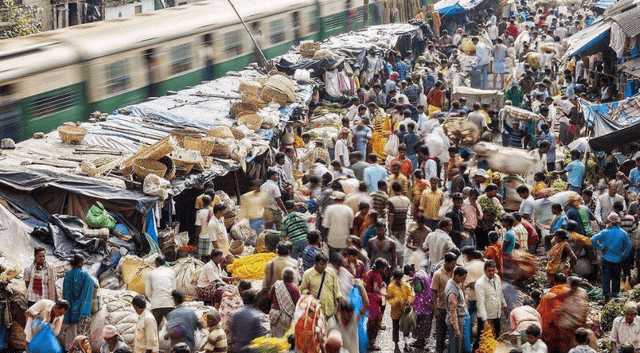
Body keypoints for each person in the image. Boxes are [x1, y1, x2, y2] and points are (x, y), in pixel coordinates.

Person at [592, 212, 632, 298]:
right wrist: (623, 255)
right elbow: (629, 247)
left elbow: (593, 239)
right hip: (618, 259)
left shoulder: (605, 232)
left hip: (606, 257)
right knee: (616, 278)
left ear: (610, 221)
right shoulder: (623, 233)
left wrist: (600, 247)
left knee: (606, 278)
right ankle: (615, 295)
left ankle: (606, 295)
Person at [63, 254, 97, 349]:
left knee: (70, 331)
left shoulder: (68, 274)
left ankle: (68, 348)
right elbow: (94, 284)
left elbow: (66, 291)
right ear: (80, 264)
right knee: (81, 333)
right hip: (81, 309)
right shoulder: (85, 275)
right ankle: (80, 349)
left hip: (69, 309)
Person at [475, 261, 508, 349]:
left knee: (495, 338)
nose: (491, 273)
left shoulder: (496, 278)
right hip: (486, 317)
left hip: (496, 315)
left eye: (493, 270)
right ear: (484, 270)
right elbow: (480, 304)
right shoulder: (480, 283)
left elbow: (499, 293)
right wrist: (485, 320)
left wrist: (504, 305)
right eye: (489, 271)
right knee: (482, 340)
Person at [300, 252, 342, 318]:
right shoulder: (308, 274)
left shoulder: (331, 272)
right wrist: (309, 293)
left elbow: (337, 291)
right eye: (321, 264)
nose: (324, 266)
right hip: (316, 311)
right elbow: (302, 289)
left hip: (330, 310)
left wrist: (339, 309)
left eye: (326, 264)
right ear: (316, 263)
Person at [432, 252, 458, 353]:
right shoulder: (438, 274)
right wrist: (435, 309)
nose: (454, 266)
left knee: (453, 332)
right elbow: (433, 293)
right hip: (442, 307)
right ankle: (439, 350)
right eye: (452, 264)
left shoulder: (455, 272)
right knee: (440, 333)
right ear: (446, 262)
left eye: (455, 263)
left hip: (453, 308)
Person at [364, 258, 389, 351]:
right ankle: (371, 344)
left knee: (369, 321)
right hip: (373, 300)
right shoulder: (376, 275)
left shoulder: (370, 272)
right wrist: (385, 294)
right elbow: (375, 288)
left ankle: (368, 341)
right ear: (381, 268)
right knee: (373, 322)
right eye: (384, 268)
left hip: (367, 298)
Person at [145, 256, 176, 330]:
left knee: (155, 328)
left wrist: (153, 297)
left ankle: (156, 341)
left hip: (156, 304)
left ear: (156, 263)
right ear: (164, 262)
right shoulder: (171, 272)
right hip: (169, 303)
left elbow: (148, 292)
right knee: (172, 326)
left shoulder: (150, 274)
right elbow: (174, 289)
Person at [268, 267, 300, 338]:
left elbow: (270, 296)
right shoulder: (294, 288)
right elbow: (297, 304)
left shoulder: (276, 285)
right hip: (286, 317)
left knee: (275, 338)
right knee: (285, 339)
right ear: (292, 277)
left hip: (274, 314)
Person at [387, 269, 415, 351]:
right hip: (395, 311)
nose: (399, 280)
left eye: (400, 278)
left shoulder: (406, 285)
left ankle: (406, 343)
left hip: (405, 310)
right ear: (395, 278)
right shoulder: (390, 287)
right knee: (395, 328)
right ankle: (396, 344)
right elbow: (389, 299)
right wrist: (396, 301)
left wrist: (409, 300)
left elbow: (411, 295)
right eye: (398, 278)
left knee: (406, 327)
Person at [445, 266, 469, 353]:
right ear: (457, 277)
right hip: (456, 320)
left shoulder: (453, 282)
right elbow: (452, 311)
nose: (465, 279)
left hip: (459, 319)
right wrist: (456, 328)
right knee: (455, 345)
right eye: (463, 277)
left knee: (456, 344)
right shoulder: (452, 290)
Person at [195, 195, 213, 262]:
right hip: (212, 237)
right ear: (211, 202)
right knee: (211, 257)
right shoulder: (213, 212)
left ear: (202, 202)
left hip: (203, 237)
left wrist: (196, 239)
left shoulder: (199, 213)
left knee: (203, 259)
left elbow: (198, 227)